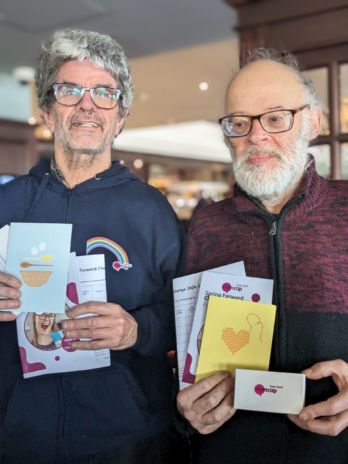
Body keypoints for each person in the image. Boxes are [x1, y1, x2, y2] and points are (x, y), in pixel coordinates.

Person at [0, 29, 185, 464]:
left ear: (120, 117)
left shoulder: (153, 212)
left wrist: (136, 330)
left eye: (104, 93)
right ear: (48, 110)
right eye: (70, 91)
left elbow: (185, 317)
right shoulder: (6, 203)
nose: (87, 104)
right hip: (17, 441)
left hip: (127, 444)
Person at [176, 48, 348, 464]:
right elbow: (180, 352)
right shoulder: (206, 227)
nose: (256, 136)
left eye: (275, 117)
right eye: (239, 122)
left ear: (313, 121)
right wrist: (185, 408)